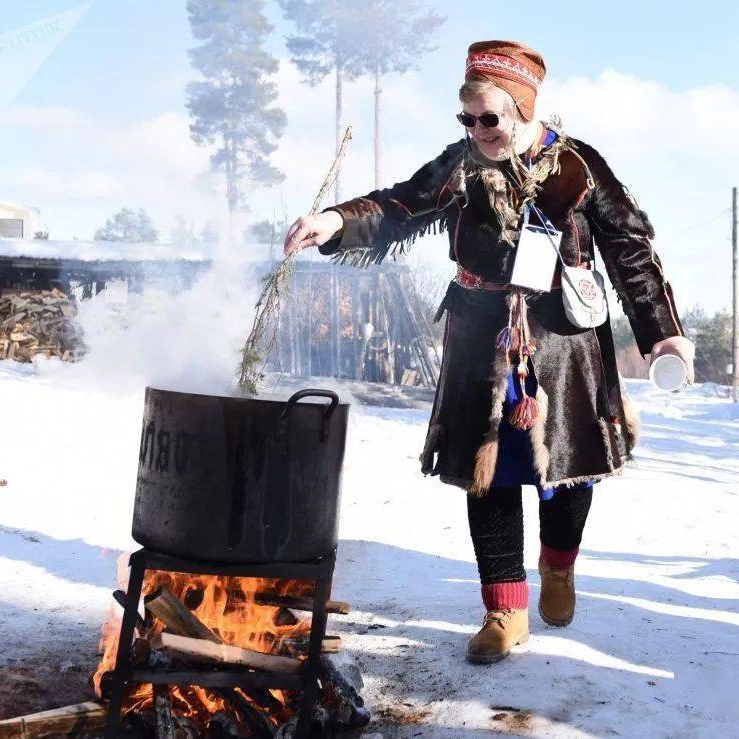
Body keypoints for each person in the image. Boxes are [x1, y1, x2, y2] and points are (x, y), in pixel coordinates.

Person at [284, 39, 695, 664]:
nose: (478, 130)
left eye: (490, 119)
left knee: (565, 472)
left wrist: (661, 329)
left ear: (524, 110)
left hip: (564, 341)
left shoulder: (579, 169)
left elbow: (631, 248)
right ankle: (505, 610)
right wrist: (336, 223)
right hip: (481, 338)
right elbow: (400, 204)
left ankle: (558, 568)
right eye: (468, 119)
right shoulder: (460, 166)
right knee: (491, 475)